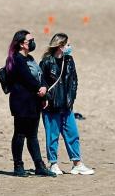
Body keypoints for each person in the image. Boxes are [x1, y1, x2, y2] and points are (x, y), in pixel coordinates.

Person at [39, 33, 94, 176]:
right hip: (51, 106)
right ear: (60, 46)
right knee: (52, 136)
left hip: (67, 105)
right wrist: (45, 98)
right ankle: (53, 164)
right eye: (67, 44)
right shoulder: (46, 62)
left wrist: (71, 98)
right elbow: (41, 82)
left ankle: (77, 164)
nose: (70, 47)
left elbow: (74, 81)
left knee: (72, 134)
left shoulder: (69, 60)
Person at [5, 30, 56, 177]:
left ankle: (39, 166)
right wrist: (38, 88)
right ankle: (18, 166)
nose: (33, 42)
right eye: (30, 40)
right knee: (20, 134)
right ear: (21, 44)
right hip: (21, 102)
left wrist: (44, 91)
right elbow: (26, 78)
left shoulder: (31, 58)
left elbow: (40, 76)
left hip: (34, 102)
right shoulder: (16, 59)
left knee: (33, 135)